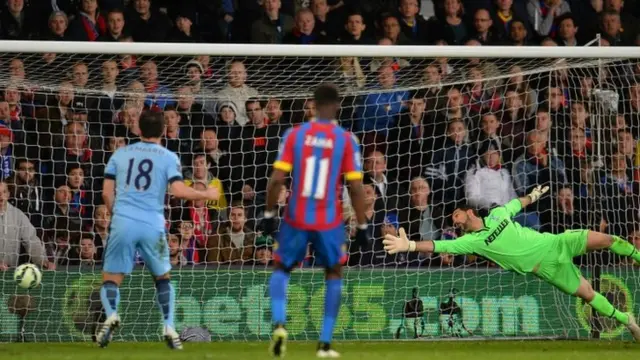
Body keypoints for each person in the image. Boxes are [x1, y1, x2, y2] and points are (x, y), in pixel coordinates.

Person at [382, 185, 640, 341]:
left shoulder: (496, 214)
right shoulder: (472, 242)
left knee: (608, 239)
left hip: (556, 243)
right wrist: (411, 245)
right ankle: (627, 321)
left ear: (469, 211)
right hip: (548, 269)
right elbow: (440, 245)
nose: (455, 221)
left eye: (456, 215)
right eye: (453, 220)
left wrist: (532, 196)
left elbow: (516, 204)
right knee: (588, 294)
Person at [261, 83, 370, 358]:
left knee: (281, 268)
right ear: (337, 106)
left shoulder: (294, 134)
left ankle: (279, 324)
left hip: (296, 214)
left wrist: (269, 213)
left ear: (313, 104)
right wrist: (362, 224)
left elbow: (276, 180)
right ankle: (324, 344)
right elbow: (356, 187)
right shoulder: (345, 139)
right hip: (329, 219)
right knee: (333, 272)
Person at [96, 111, 219, 350]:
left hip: (123, 221)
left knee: (111, 278)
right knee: (162, 278)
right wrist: (206, 193)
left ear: (138, 130)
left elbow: (106, 192)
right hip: (152, 224)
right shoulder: (169, 157)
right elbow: (179, 191)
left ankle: (111, 314)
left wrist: (116, 214)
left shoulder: (119, 155)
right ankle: (168, 326)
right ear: (164, 131)